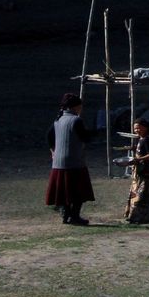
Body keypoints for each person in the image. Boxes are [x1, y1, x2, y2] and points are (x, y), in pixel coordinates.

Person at [46, 93, 94, 226]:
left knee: (64, 191)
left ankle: (66, 214)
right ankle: (74, 216)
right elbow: (85, 138)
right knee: (78, 191)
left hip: (58, 162)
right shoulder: (76, 120)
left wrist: (53, 151)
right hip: (74, 161)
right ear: (76, 107)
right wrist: (95, 131)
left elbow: (49, 137)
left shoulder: (58, 120)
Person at [124, 120, 149, 223]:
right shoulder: (140, 139)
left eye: (139, 128)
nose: (137, 130)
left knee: (142, 196)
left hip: (146, 172)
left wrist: (138, 159)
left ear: (145, 128)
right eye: (135, 128)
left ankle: (141, 217)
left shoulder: (147, 140)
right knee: (135, 194)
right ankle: (135, 216)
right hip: (139, 172)